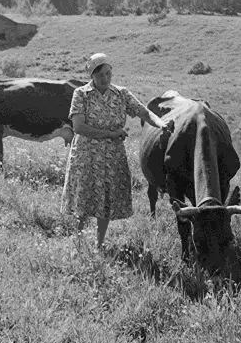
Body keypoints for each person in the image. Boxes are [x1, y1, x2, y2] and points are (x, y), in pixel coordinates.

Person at [61, 53, 173, 248]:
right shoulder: (81, 94)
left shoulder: (121, 94)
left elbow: (144, 112)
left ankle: (99, 243)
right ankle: (79, 242)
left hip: (112, 157)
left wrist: (161, 124)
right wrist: (110, 134)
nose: (105, 78)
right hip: (86, 155)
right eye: (101, 75)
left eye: (108, 73)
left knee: (105, 200)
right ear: (92, 76)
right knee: (83, 198)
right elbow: (79, 127)